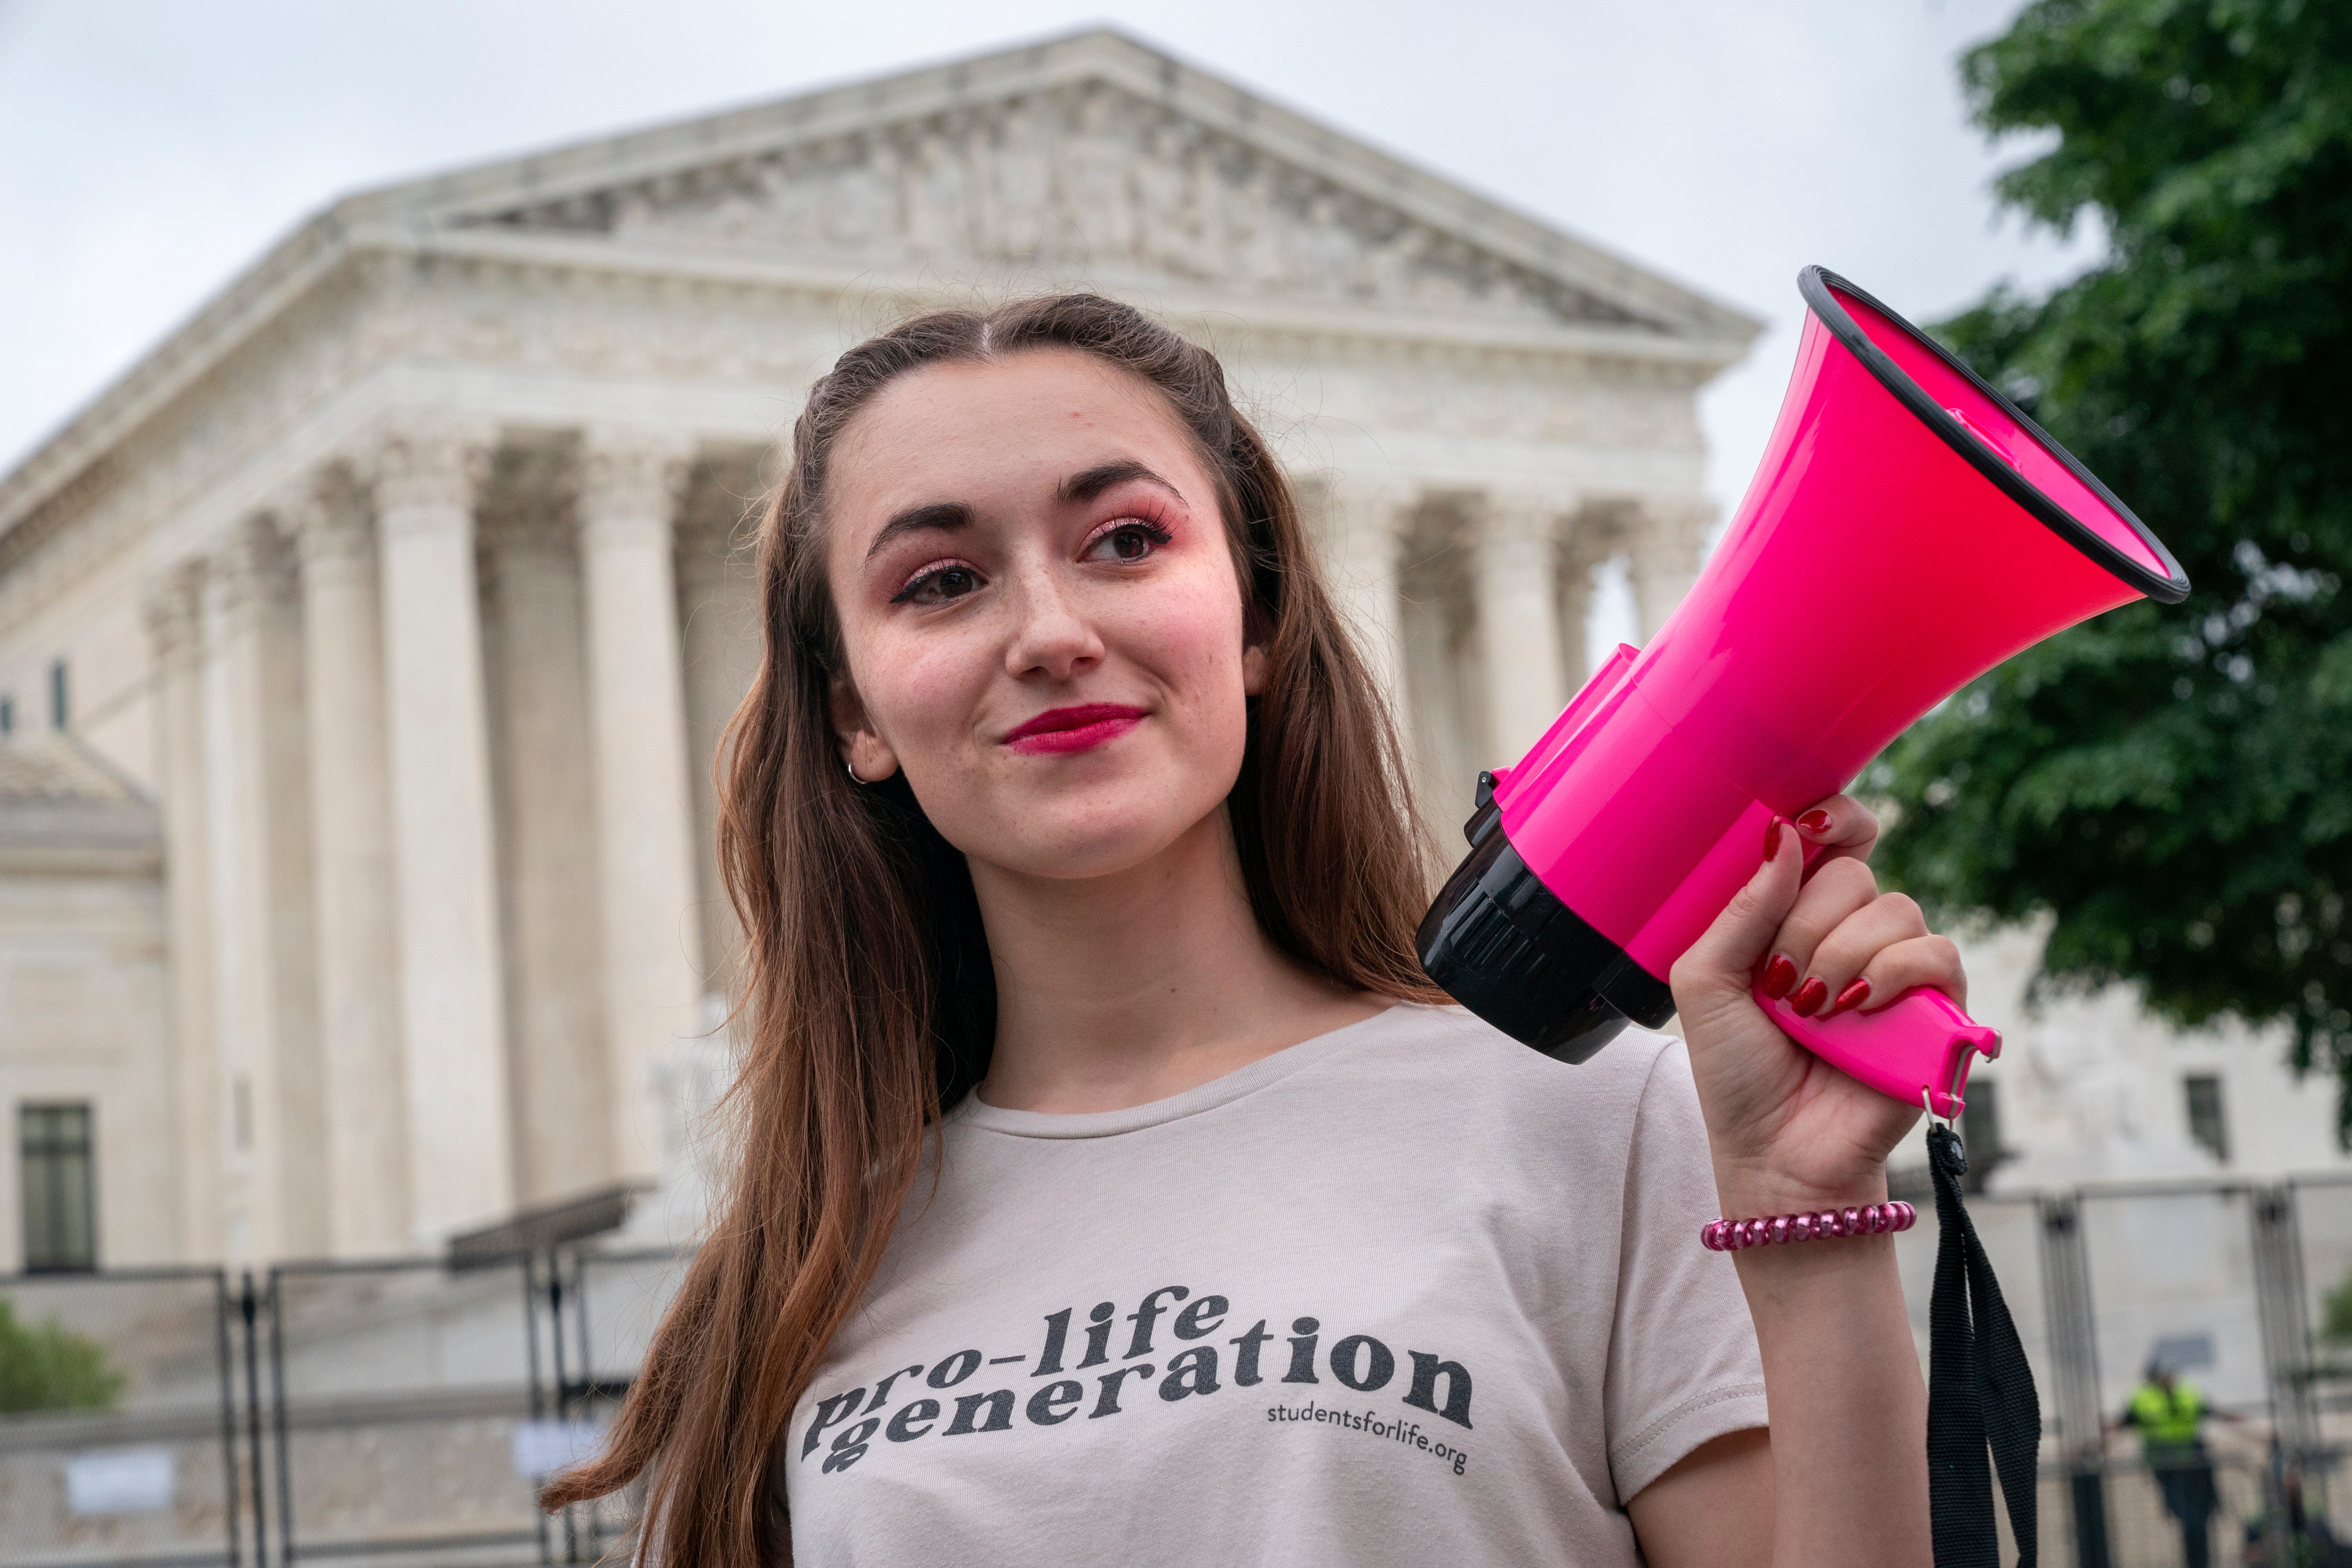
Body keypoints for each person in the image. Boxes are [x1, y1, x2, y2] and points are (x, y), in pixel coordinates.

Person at [544, 294, 1960, 1565]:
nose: (1049, 630)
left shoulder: (1593, 1116)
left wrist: (1808, 1225)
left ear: (1256, 617)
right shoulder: (808, 1261)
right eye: (939, 580)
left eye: (1125, 540)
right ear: (855, 712)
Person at [2120, 1360, 2235, 1568]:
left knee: (2199, 1519)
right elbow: (2123, 1423)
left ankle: (2201, 1562)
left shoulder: (2187, 1393)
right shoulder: (2143, 1398)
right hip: (2169, 1468)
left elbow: (2213, 1412)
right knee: (2188, 1519)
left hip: (2195, 1465)